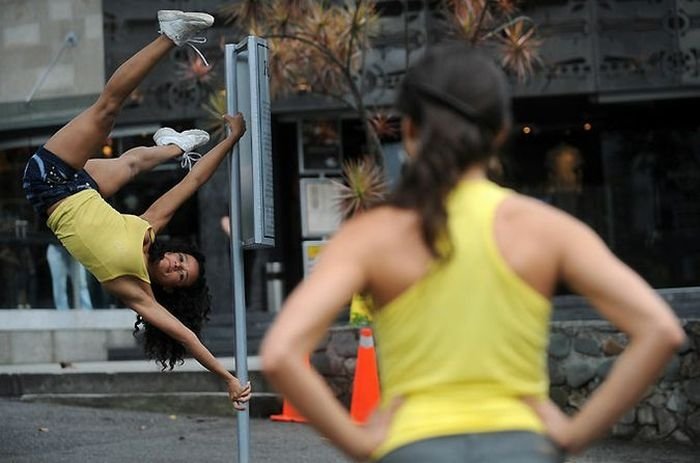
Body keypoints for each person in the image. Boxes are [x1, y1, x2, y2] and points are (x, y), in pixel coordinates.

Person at [260, 43, 687, 461]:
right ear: (500, 132)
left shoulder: (372, 236)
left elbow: (280, 353)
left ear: (409, 130)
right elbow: (660, 330)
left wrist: (361, 445)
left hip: (413, 447)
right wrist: (573, 436)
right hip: (524, 446)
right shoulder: (545, 228)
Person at [22, 10, 251, 410]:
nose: (176, 266)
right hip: (84, 187)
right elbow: (193, 182)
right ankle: (175, 146)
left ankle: (169, 33)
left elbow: (186, 336)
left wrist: (229, 378)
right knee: (131, 163)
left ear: (167, 289)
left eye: (179, 276)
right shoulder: (147, 229)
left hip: (49, 184)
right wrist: (231, 138)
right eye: (182, 260)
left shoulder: (137, 291)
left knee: (108, 110)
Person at [46, 242, 93, 310]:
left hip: (74, 248)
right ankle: (63, 317)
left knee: (81, 285)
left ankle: (87, 314)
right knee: (59, 286)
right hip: (55, 247)